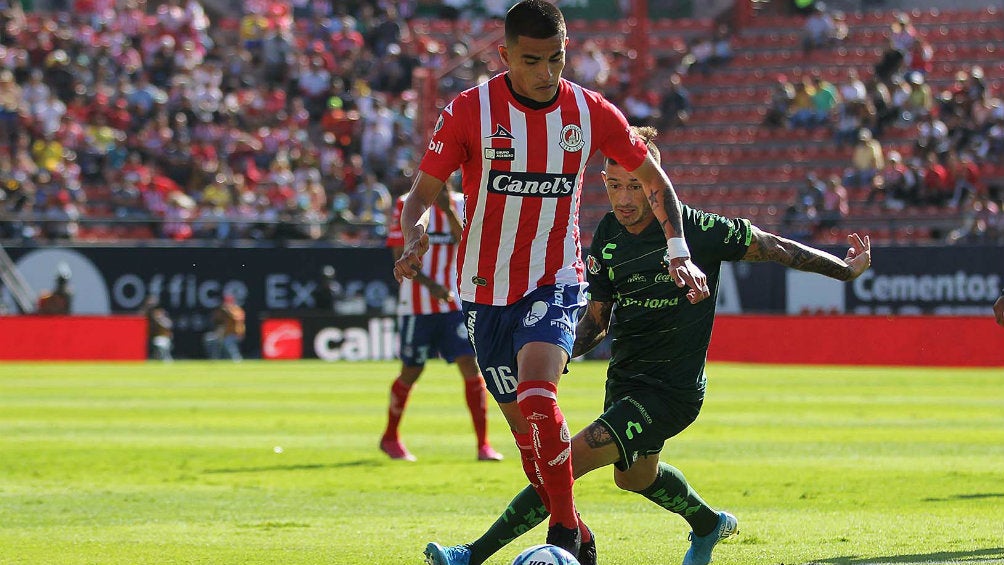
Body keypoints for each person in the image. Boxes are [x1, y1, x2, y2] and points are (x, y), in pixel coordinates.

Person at [423, 126, 872, 565]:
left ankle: (472, 554)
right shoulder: (608, 237)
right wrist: (557, 348)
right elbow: (598, 321)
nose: (621, 198)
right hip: (625, 382)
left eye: (634, 186)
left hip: (672, 390)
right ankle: (708, 524)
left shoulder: (697, 231)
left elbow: (773, 247)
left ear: (656, 182)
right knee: (636, 478)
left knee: (564, 458)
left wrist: (843, 270)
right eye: (613, 185)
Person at [395, 0, 709, 558]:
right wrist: (415, 233)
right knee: (527, 436)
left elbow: (653, 178)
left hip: (555, 276)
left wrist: (678, 249)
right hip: (483, 290)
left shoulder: (590, 113)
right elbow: (421, 193)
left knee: (540, 395)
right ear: (505, 55)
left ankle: (562, 533)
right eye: (532, 60)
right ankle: (577, 530)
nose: (546, 74)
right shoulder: (470, 111)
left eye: (556, 59)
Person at [381, 183, 504, 463]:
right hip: (416, 304)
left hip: (453, 303)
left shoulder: (462, 203)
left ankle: (483, 444)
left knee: (470, 366)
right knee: (412, 370)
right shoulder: (406, 204)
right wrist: (431, 285)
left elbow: (469, 245)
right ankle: (390, 437)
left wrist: (449, 212)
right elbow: (398, 254)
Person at [203, 294, 246, 361]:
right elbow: (216, 320)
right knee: (209, 339)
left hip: (236, 334)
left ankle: (236, 359)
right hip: (223, 334)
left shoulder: (236, 309)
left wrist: (228, 311)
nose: (227, 303)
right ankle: (214, 359)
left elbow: (237, 319)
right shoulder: (221, 310)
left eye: (229, 301)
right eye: (226, 301)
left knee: (227, 341)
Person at [139, 295, 174, 361]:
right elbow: (140, 319)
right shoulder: (146, 313)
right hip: (147, 336)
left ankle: (165, 359)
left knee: (161, 349)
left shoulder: (160, 314)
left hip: (160, 337)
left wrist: (159, 319)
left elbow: (168, 325)